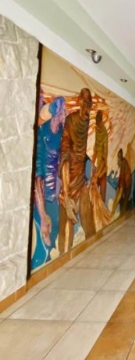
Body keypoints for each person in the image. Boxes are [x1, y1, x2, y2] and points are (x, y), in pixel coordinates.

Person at [58, 88, 96, 253]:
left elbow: (78, 152)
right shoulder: (73, 120)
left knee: (83, 219)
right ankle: (63, 254)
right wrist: (66, 193)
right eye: (85, 103)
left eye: (89, 105)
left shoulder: (84, 121)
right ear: (80, 102)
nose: (87, 108)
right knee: (65, 222)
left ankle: (77, 249)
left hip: (79, 177)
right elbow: (66, 156)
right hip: (70, 177)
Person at [33, 96, 66, 265]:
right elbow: (38, 173)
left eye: (63, 113)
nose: (61, 117)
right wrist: (42, 213)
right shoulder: (42, 130)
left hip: (53, 192)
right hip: (41, 195)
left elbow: (58, 156)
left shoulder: (59, 130)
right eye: (59, 114)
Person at [91, 110, 109, 203]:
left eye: (99, 123)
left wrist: (97, 174)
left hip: (102, 169)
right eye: (97, 124)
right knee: (93, 193)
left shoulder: (104, 134)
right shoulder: (98, 130)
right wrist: (92, 165)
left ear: (101, 121)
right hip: (98, 167)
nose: (98, 126)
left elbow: (104, 158)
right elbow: (95, 148)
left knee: (102, 197)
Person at [112, 148, 132, 216]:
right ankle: (117, 213)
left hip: (128, 184)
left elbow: (122, 180)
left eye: (118, 158)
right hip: (125, 183)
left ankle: (121, 215)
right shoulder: (122, 163)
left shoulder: (123, 164)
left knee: (123, 200)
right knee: (120, 198)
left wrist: (120, 187)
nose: (117, 161)